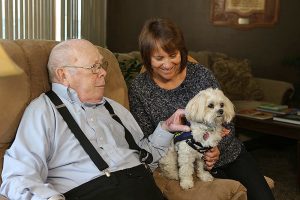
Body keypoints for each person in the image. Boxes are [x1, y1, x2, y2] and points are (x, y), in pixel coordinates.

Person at [0, 39, 189, 200]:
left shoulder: (115, 109)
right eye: (94, 67)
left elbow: (147, 158)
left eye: (102, 65)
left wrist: (165, 129)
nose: (104, 73)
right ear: (63, 75)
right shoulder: (43, 111)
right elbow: (18, 176)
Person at [129, 18, 275, 200]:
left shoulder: (201, 74)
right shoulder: (139, 88)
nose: (167, 64)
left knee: (263, 197)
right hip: (182, 163)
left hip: (227, 154)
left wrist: (217, 148)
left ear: (182, 52)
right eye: (159, 58)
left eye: (173, 55)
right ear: (147, 57)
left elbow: (227, 120)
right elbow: (144, 137)